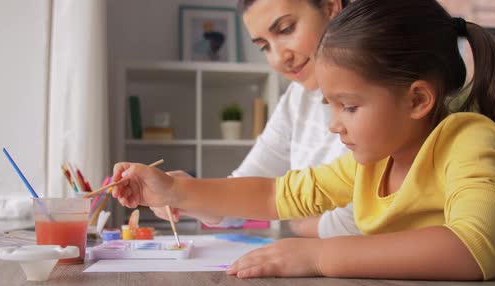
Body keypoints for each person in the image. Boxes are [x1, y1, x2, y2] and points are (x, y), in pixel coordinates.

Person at [112, 0, 495, 282]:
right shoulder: (371, 162)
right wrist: (176, 189)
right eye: (330, 105)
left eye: (349, 107)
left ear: (417, 98)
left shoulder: (468, 140)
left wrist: (319, 257)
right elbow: (272, 194)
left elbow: (470, 250)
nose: (333, 125)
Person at [151, 0, 360, 238]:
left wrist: (299, 223)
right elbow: (248, 195)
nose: (279, 58)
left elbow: (366, 221)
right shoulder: (297, 97)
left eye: (286, 29)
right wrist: (182, 192)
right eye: (264, 47)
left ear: (331, 8)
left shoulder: (383, 94)